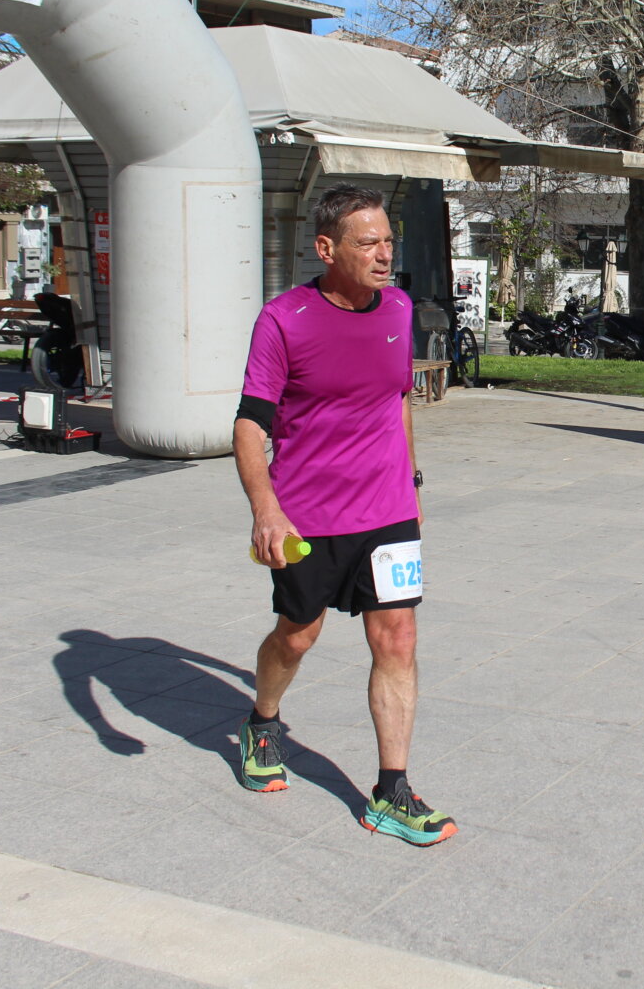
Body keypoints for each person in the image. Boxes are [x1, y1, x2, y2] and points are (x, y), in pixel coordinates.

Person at [231, 183, 455, 847]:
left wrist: (411, 485)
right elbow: (250, 424)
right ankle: (262, 721)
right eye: (368, 243)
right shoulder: (285, 319)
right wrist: (265, 510)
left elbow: (397, 399)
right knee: (297, 636)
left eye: (389, 241)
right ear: (327, 249)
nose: (385, 255)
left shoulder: (400, 307)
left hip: (388, 512)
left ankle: (391, 791)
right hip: (308, 518)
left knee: (398, 639)